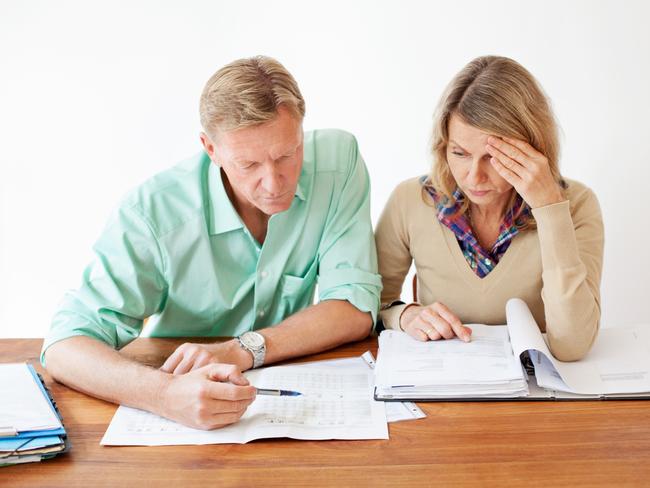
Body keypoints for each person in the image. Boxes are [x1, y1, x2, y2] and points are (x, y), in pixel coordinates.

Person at [42, 56, 381, 429]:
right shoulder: (153, 213)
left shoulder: (339, 163)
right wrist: (164, 394)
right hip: (181, 407)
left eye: (287, 154)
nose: (274, 182)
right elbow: (64, 347)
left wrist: (241, 350)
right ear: (210, 149)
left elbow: (354, 306)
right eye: (248, 165)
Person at [375, 56, 603, 361]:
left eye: (494, 156)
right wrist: (404, 316)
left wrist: (549, 208)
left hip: (538, 395)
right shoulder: (410, 201)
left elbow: (572, 344)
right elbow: (368, 306)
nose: (474, 176)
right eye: (459, 153)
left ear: (533, 147)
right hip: (443, 387)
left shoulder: (575, 206)